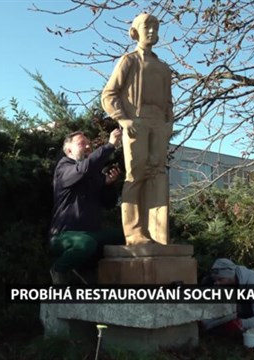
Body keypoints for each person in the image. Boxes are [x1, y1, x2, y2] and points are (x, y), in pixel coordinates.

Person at [101, 13, 173, 245]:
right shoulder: (129, 61)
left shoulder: (163, 68)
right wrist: (124, 119)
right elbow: (109, 94)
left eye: (155, 26)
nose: (151, 31)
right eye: (146, 26)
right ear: (135, 31)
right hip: (137, 122)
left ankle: (159, 234)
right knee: (137, 174)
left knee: (158, 174)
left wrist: (168, 123)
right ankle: (134, 234)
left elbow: (169, 102)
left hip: (158, 125)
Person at [49, 128, 125, 284]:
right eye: (82, 143)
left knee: (126, 237)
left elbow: (109, 203)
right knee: (86, 243)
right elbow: (83, 169)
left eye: (89, 144)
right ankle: (58, 269)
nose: (88, 147)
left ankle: (89, 272)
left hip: (91, 234)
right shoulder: (63, 169)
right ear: (69, 149)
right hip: (63, 236)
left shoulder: (93, 175)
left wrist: (109, 184)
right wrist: (110, 145)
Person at [201, 258, 254, 335]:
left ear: (230, 276)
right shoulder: (229, 279)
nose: (217, 283)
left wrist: (240, 323)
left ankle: (252, 329)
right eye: (215, 280)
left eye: (220, 279)